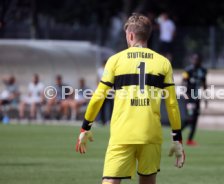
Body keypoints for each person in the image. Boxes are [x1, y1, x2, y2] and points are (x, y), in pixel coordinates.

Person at [75, 13, 185, 184]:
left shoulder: (115, 60)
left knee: (110, 181)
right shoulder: (163, 63)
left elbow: (98, 97)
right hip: (150, 134)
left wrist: (85, 128)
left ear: (131, 35)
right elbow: (172, 104)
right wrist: (177, 138)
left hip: (122, 134)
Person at [181, 53, 207, 146]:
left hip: (197, 98)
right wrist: (185, 96)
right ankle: (177, 133)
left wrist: (206, 98)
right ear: (191, 60)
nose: (195, 61)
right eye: (194, 59)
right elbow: (183, 83)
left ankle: (189, 140)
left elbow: (204, 84)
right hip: (189, 98)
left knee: (195, 118)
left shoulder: (203, 70)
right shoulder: (187, 70)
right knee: (190, 118)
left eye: (197, 59)